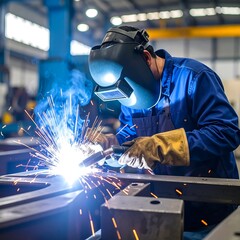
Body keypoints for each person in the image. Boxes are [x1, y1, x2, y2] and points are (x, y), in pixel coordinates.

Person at [88, 25, 240, 239]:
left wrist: (160, 146)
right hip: (156, 204)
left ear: (147, 57)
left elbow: (226, 132)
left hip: (207, 213)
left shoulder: (194, 77)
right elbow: (129, 137)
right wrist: (109, 144)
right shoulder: (129, 94)